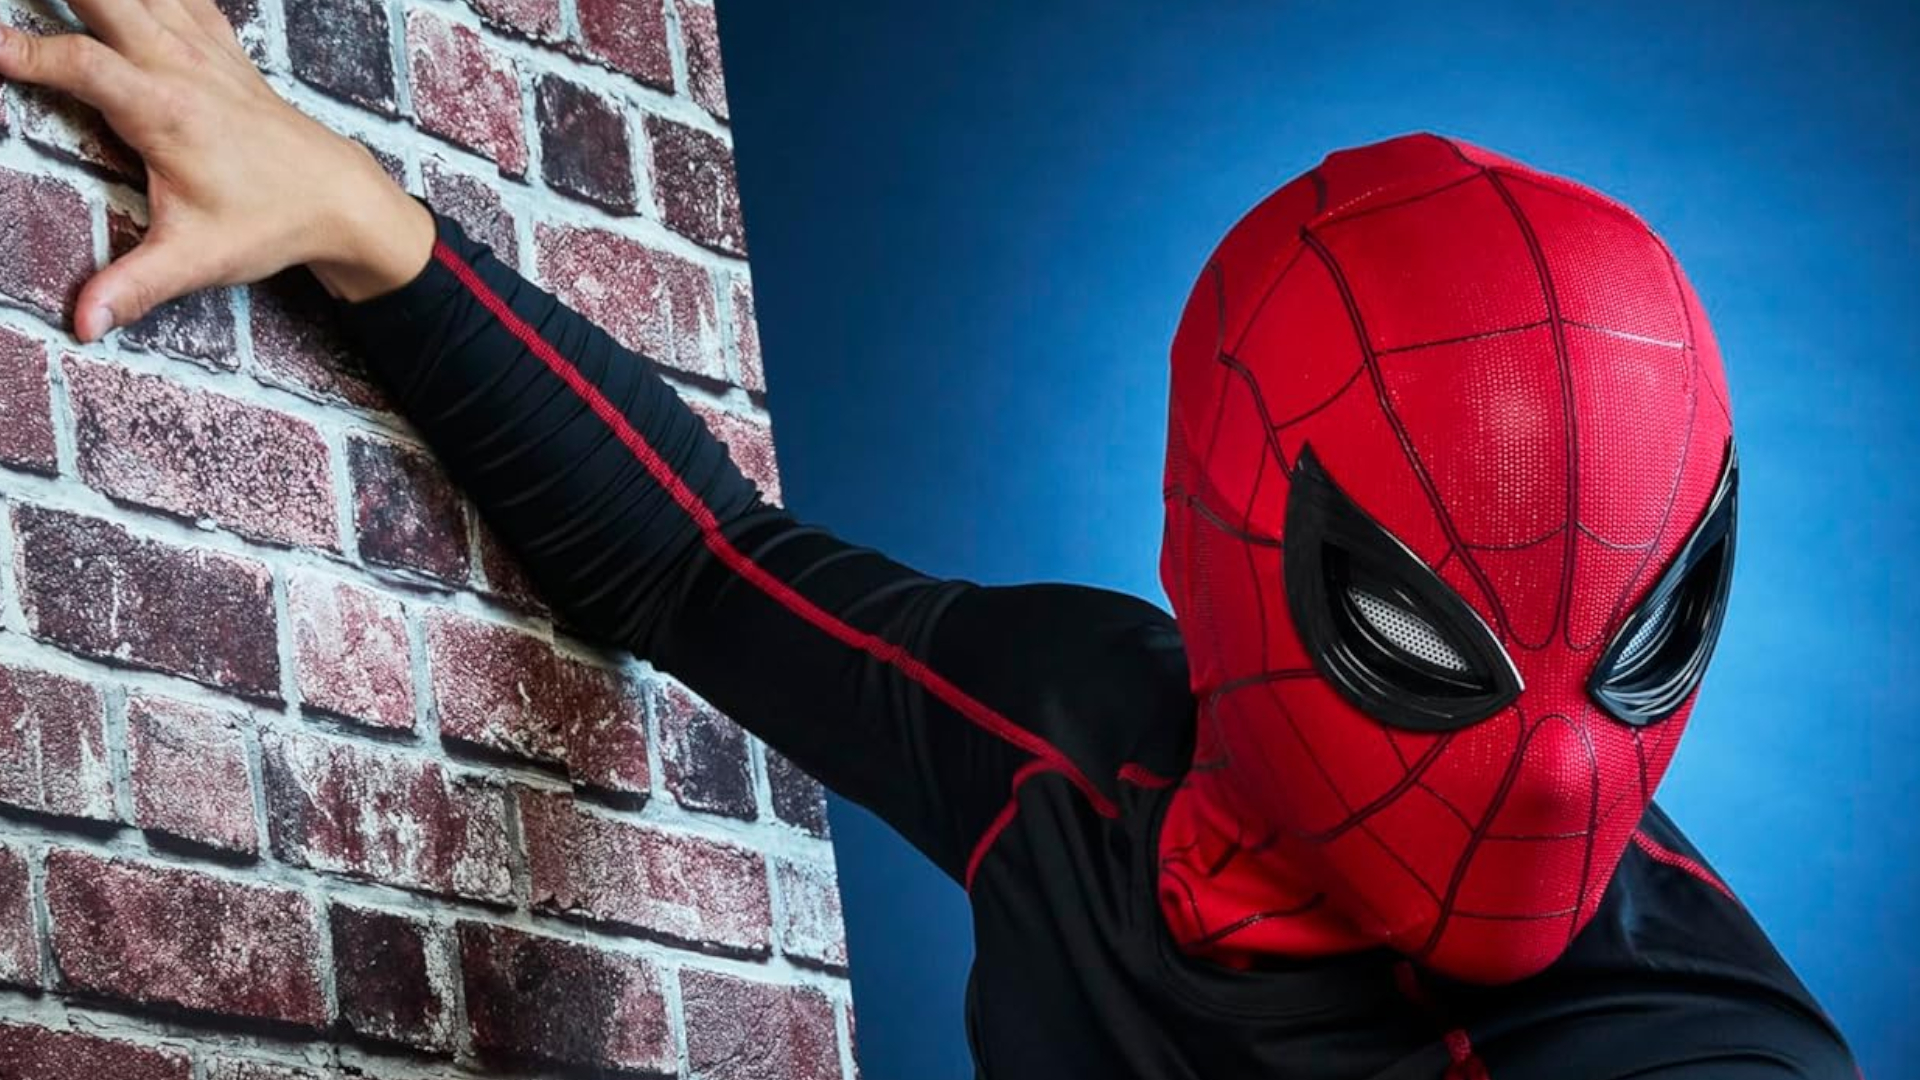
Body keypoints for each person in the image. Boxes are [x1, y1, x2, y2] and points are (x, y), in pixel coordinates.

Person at [0, 4, 1859, 1077]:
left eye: (1641, 631)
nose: (1548, 780)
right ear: (1221, 558)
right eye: (1421, 632)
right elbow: (702, 565)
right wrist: (357, 217)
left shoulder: (1694, 1048)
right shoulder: (1080, 748)